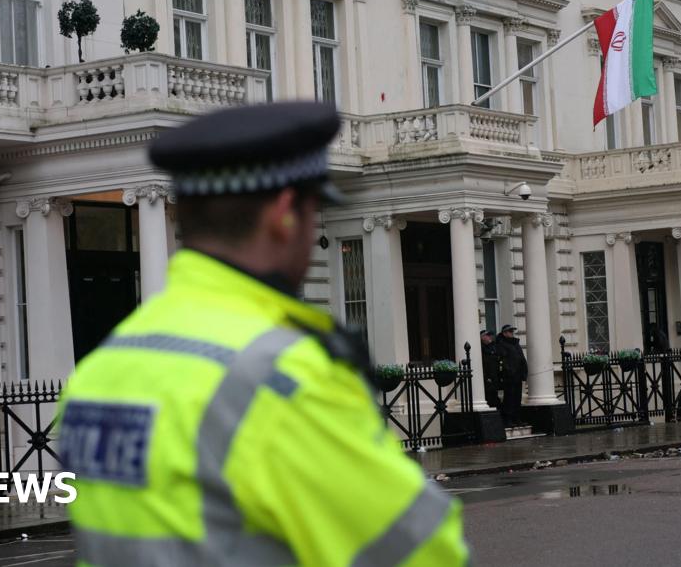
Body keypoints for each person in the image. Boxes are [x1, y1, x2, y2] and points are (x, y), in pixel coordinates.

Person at [58, 102, 467, 566]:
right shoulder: (282, 375)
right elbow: (421, 552)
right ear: (285, 213)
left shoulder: (99, 370)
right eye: (314, 212)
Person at [495, 324, 527, 426]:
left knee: (517, 398)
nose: (511, 333)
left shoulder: (515, 344)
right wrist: (509, 371)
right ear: (504, 333)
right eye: (509, 331)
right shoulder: (501, 344)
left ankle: (516, 418)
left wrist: (524, 372)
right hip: (509, 377)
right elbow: (503, 361)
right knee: (509, 398)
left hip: (518, 376)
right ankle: (508, 419)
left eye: (512, 331)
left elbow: (521, 358)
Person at [479, 329, 502, 409]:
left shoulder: (493, 347)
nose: (490, 337)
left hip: (495, 376)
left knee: (494, 396)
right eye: (487, 335)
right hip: (487, 378)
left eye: (490, 335)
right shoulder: (480, 349)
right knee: (490, 397)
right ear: (482, 337)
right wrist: (486, 377)